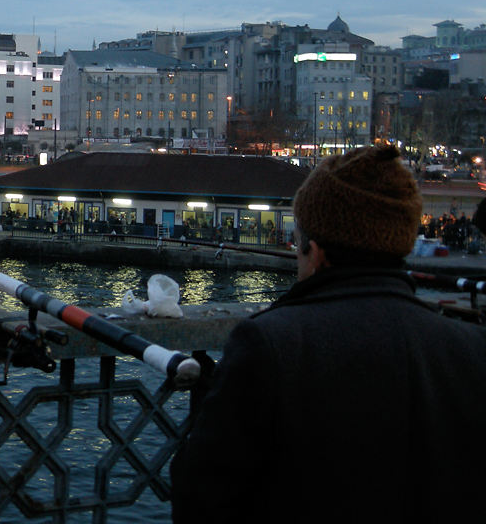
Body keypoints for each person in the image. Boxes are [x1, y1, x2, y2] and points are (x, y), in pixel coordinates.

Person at [171, 144, 486, 523]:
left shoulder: (269, 346)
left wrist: (217, 399)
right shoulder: (471, 349)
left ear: (315, 251)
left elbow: (200, 499)